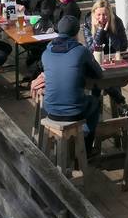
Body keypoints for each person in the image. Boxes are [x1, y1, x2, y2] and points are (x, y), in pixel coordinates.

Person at [31, 15, 103, 151]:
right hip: (74, 111)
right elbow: (99, 74)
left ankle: (77, 142)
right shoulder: (81, 51)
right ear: (76, 33)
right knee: (95, 101)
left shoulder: (46, 52)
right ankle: (86, 147)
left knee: (82, 101)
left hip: (50, 109)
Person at [82, 0, 128, 113]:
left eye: (105, 15)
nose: (102, 18)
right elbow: (91, 49)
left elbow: (123, 46)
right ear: (94, 13)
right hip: (96, 62)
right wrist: (100, 31)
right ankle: (118, 104)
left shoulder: (117, 22)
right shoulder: (88, 23)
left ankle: (119, 110)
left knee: (113, 80)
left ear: (110, 14)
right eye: (99, 14)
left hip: (113, 61)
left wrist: (109, 31)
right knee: (97, 84)